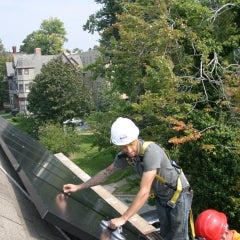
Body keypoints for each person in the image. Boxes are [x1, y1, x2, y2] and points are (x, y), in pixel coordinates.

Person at [63, 117, 193, 240]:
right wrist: (78, 187)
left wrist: (123, 218)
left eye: (131, 144)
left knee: (178, 235)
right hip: (161, 196)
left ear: (136, 137)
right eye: (123, 146)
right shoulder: (126, 155)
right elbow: (106, 173)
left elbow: (144, 191)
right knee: (165, 233)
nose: (129, 150)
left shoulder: (151, 152)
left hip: (179, 195)